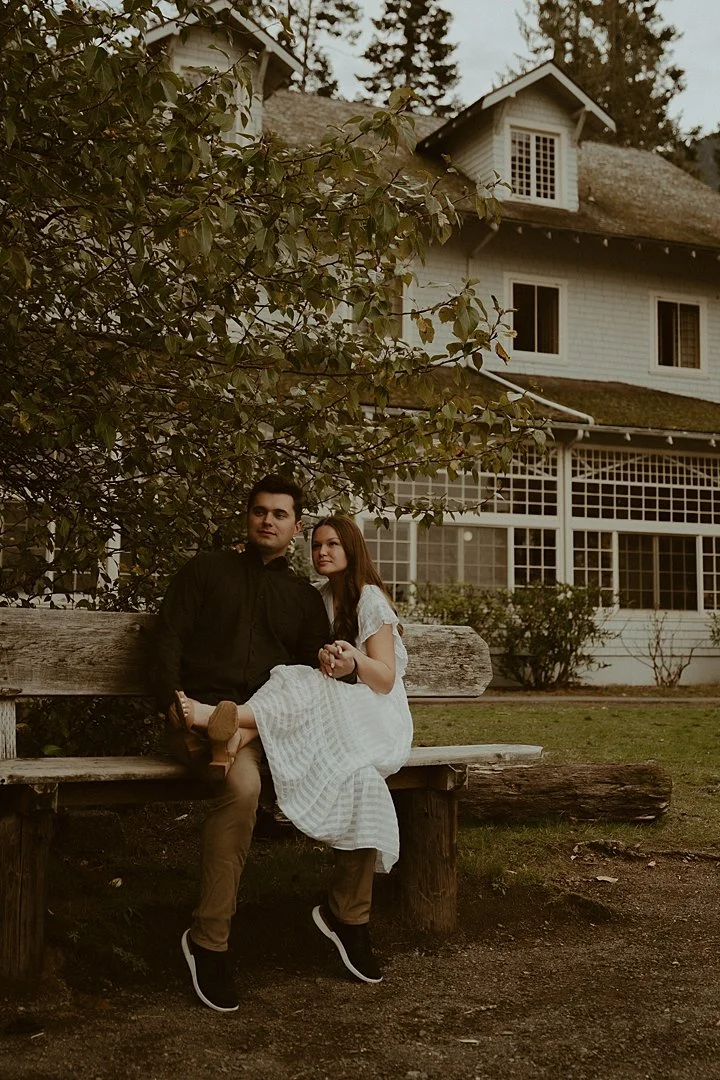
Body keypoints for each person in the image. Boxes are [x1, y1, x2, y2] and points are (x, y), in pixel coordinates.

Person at [154, 478, 408, 1014]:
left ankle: (348, 914)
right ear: (247, 518)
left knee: (360, 775)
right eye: (259, 512)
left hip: (270, 728)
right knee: (242, 788)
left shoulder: (302, 598)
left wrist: (341, 664)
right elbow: (167, 637)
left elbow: (314, 672)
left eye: (280, 514)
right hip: (196, 718)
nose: (268, 521)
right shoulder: (206, 571)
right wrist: (172, 702)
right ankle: (208, 941)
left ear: (294, 526)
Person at [175, 513, 413, 892]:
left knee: (303, 681)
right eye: (316, 545)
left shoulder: (369, 599)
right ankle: (235, 737)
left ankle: (221, 717)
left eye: (332, 544)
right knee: (295, 675)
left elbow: (385, 678)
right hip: (343, 704)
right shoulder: (319, 595)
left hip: (375, 714)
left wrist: (353, 660)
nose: (322, 552)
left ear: (352, 548)